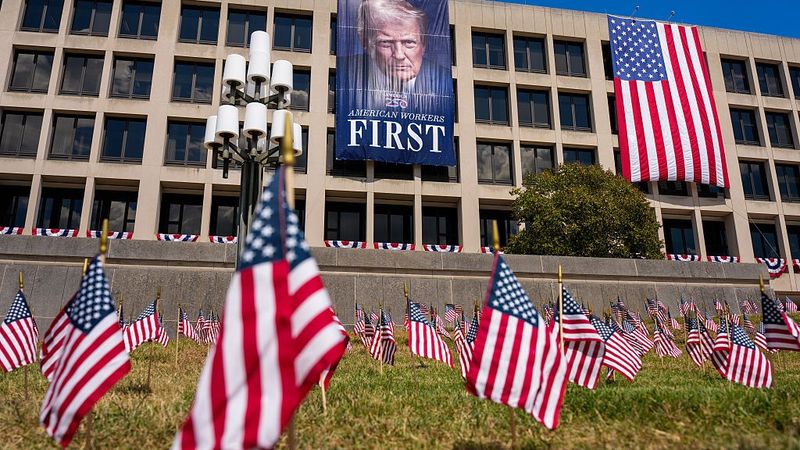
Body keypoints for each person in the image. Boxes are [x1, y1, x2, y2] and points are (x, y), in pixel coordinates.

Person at [344, 0, 452, 111]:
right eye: (386, 42)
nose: (399, 55)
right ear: (366, 44)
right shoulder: (345, 75)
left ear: (423, 44)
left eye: (409, 42)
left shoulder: (444, 82)